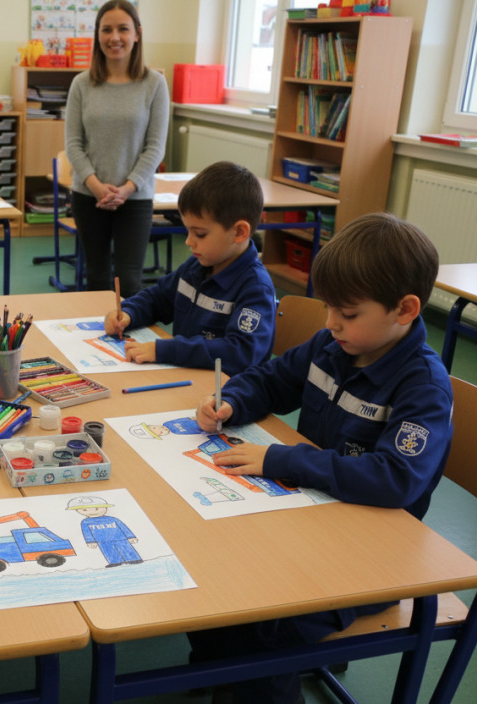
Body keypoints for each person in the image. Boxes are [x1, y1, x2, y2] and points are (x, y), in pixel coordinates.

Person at [191, 212, 453, 703]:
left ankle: (247, 676)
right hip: (311, 517)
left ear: (405, 309)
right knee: (216, 569)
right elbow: (271, 379)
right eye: (329, 308)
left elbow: (395, 479)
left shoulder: (424, 388)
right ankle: (217, 671)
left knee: (264, 621)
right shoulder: (334, 346)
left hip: (373, 556)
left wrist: (282, 460)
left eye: (348, 313)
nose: (332, 323)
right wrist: (232, 401)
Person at [103, 161, 275, 377]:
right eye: (188, 231)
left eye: (200, 234)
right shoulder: (197, 266)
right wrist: (129, 312)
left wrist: (166, 349)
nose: (189, 242)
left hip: (225, 396)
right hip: (186, 376)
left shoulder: (255, 288)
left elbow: (240, 353)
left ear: (239, 232)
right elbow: (158, 299)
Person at [65, 0, 170, 298]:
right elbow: (73, 143)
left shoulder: (155, 84)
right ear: (97, 36)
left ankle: (128, 343)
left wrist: (126, 188)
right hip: (89, 196)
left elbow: (155, 147)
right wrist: (97, 186)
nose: (114, 37)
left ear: (137, 33)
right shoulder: (81, 84)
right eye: (106, 29)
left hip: (135, 198)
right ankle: (92, 341)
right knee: (96, 277)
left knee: (130, 279)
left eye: (123, 29)